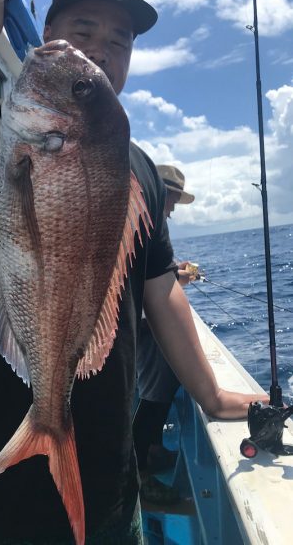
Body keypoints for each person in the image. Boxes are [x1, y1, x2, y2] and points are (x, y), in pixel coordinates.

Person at [0, 0, 266, 543]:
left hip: (105, 480)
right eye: (84, 29)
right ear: (47, 32)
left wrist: (210, 395)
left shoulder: (138, 172)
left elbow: (162, 291)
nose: (103, 48)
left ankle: (49, 426)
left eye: (121, 40)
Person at [134, 165, 197, 506]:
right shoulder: (143, 219)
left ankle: (153, 450)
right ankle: (142, 481)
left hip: (142, 319)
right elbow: (147, 278)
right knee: (154, 396)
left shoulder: (146, 219)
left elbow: (153, 270)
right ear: (159, 191)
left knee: (161, 388)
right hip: (143, 323)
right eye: (172, 199)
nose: (172, 208)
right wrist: (177, 276)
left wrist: (176, 273)